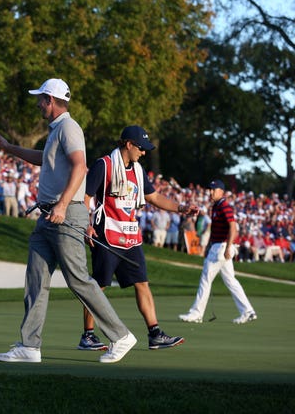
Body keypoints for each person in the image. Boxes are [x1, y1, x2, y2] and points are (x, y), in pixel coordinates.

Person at [0, 78, 137, 364]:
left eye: (41, 99)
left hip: (65, 212)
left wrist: (61, 204)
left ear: (51, 100)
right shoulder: (57, 130)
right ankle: (29, 345)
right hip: (48, 217)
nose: (38, 104)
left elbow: (80, 166)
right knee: (35, 279)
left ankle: (120, 335)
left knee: (78, 279)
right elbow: (43, 159)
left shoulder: (69, 127)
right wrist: (9, 148)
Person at [78, 125, 199, 352]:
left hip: (131, 237)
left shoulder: (138, 170)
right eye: (141, 148)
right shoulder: (103, 165)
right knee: (98, 286)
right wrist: (86, 225)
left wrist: (181, 208)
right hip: (107, 235)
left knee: (142, 283)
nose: (143, 153)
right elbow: (86, 196)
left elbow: (154, 197)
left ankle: (155, 334)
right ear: (129, 144)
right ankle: (88, 335)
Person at [179, 179, 257, 324]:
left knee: (205, 279)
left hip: (221, 248)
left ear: (221, 192)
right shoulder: (216, 207)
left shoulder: (224, 206)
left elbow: (233, 227)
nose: (210, 192)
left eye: (213, 190)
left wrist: (228, 247)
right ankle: (248, 311)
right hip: (218, 247)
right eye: (210, 190)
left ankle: (196, 313)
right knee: (230, 281)